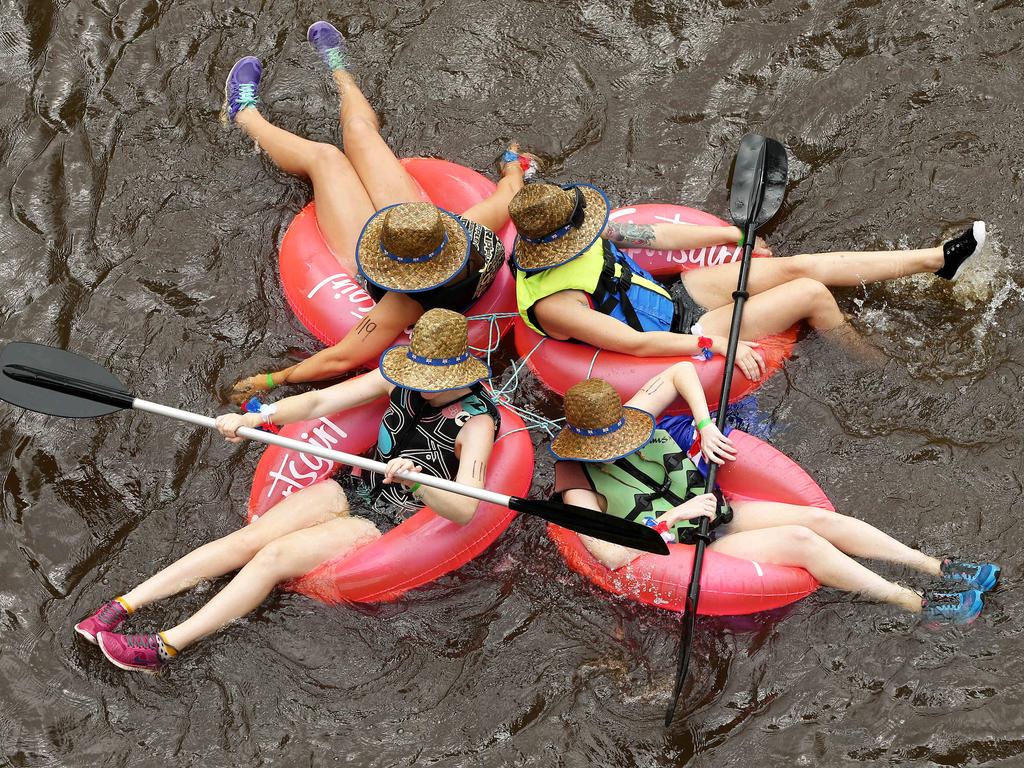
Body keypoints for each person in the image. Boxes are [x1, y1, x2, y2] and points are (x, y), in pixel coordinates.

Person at [74, 309, 500, 672]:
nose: (417, 382)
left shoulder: (476, 425)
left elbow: (464, 508)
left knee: (272, 558)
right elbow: (319, 403)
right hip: (356, 485)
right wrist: (261, 417)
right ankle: (119, 608)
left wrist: (418, 483)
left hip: (391, 517)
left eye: (428, 377)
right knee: (249, 539)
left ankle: (164, 646)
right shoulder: (401, 379)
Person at [220, 21, 536, 403]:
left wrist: (271, 380)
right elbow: (509, 194)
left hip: (387, 250)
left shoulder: (402, 304)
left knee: (326, 158)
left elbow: (340, 358)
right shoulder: (472, 231)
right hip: (413, 233)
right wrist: (513, 165)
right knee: (359, 131)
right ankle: (340, 72)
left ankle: (243, 115)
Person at [550, 366, 1000, 623]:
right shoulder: (575, 474)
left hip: (716, 511)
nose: (624, 444)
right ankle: (916, 602)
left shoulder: (629, 417)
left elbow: (682, 371)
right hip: (688, 544)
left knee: (819, 520)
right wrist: (672, 519)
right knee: (803, 543)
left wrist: (704, 426)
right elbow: (608, 553)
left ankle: (935, 566)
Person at [509, 182, 986, 381]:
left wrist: (730, 233)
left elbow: (654, 235)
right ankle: (873, 366)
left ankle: (936, 260)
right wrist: (718, 347)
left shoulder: (581, 229)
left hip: (674, 297)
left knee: (795, 267)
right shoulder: (557, 305)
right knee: (810, 295)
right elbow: (634, 345)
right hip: (676, 334)